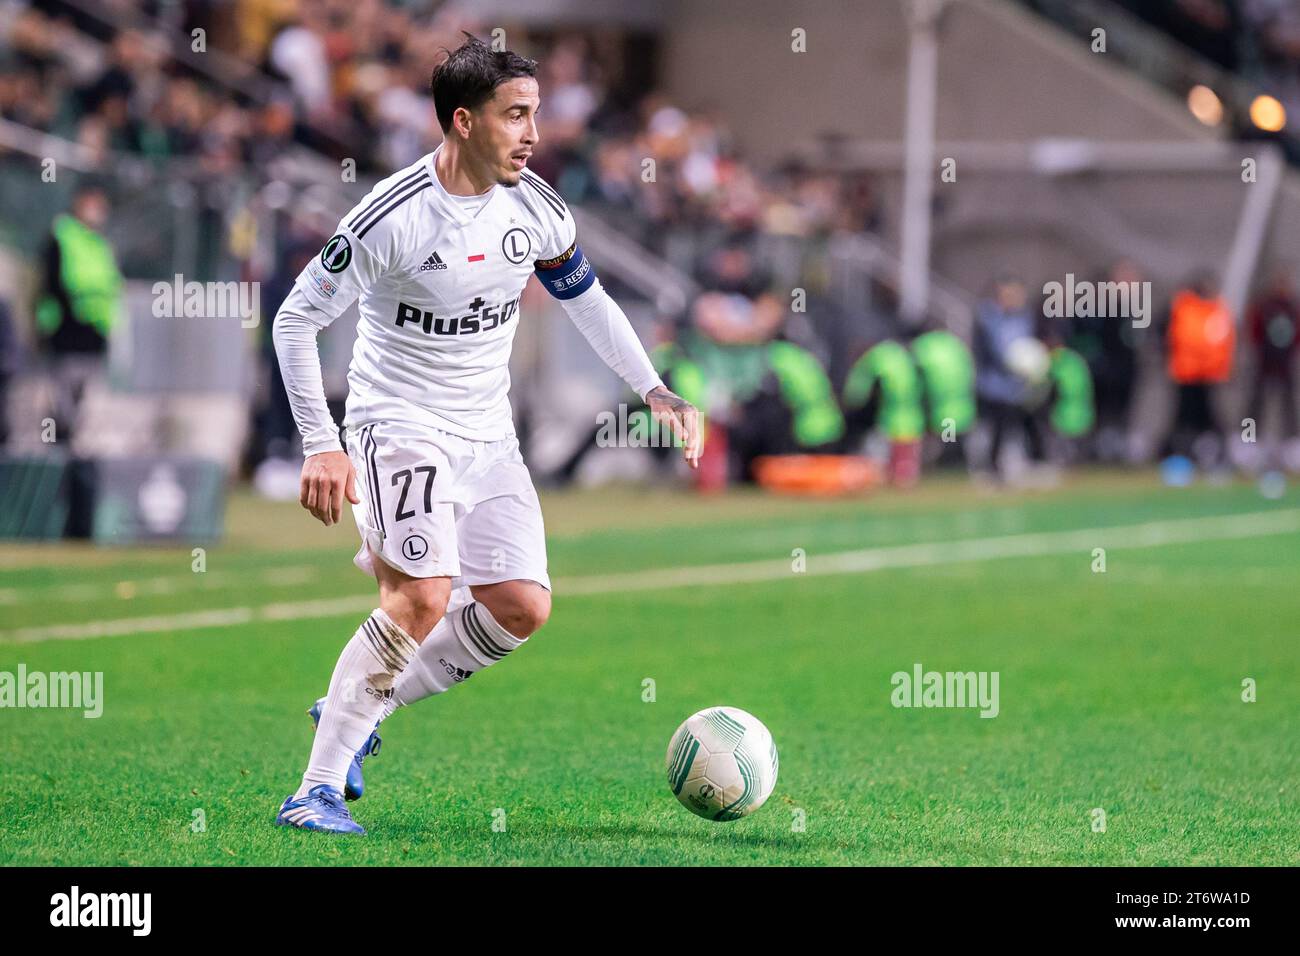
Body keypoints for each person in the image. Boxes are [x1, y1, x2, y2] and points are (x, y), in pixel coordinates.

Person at [270, 35, 700, 835]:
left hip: (488, 434)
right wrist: (319, 442)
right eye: (516, 115)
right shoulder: (389, 217)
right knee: (423, 596)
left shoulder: (535, 207)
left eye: (535, 112)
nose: (534, 132)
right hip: (397, 424)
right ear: (463, 122)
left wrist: (653, 386)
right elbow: (296, 320)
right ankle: (316, 789)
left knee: (520, 606)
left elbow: (590, 300)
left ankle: (356, 704)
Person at [34, 183, 122, 449]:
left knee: (81, 409)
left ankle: (70, 464)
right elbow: (53, 284)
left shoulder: (100, 243)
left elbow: (110, 288)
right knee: (59, 406)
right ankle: (53, 461)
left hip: (93, 335)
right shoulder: (63, 234)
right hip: (65, 333)